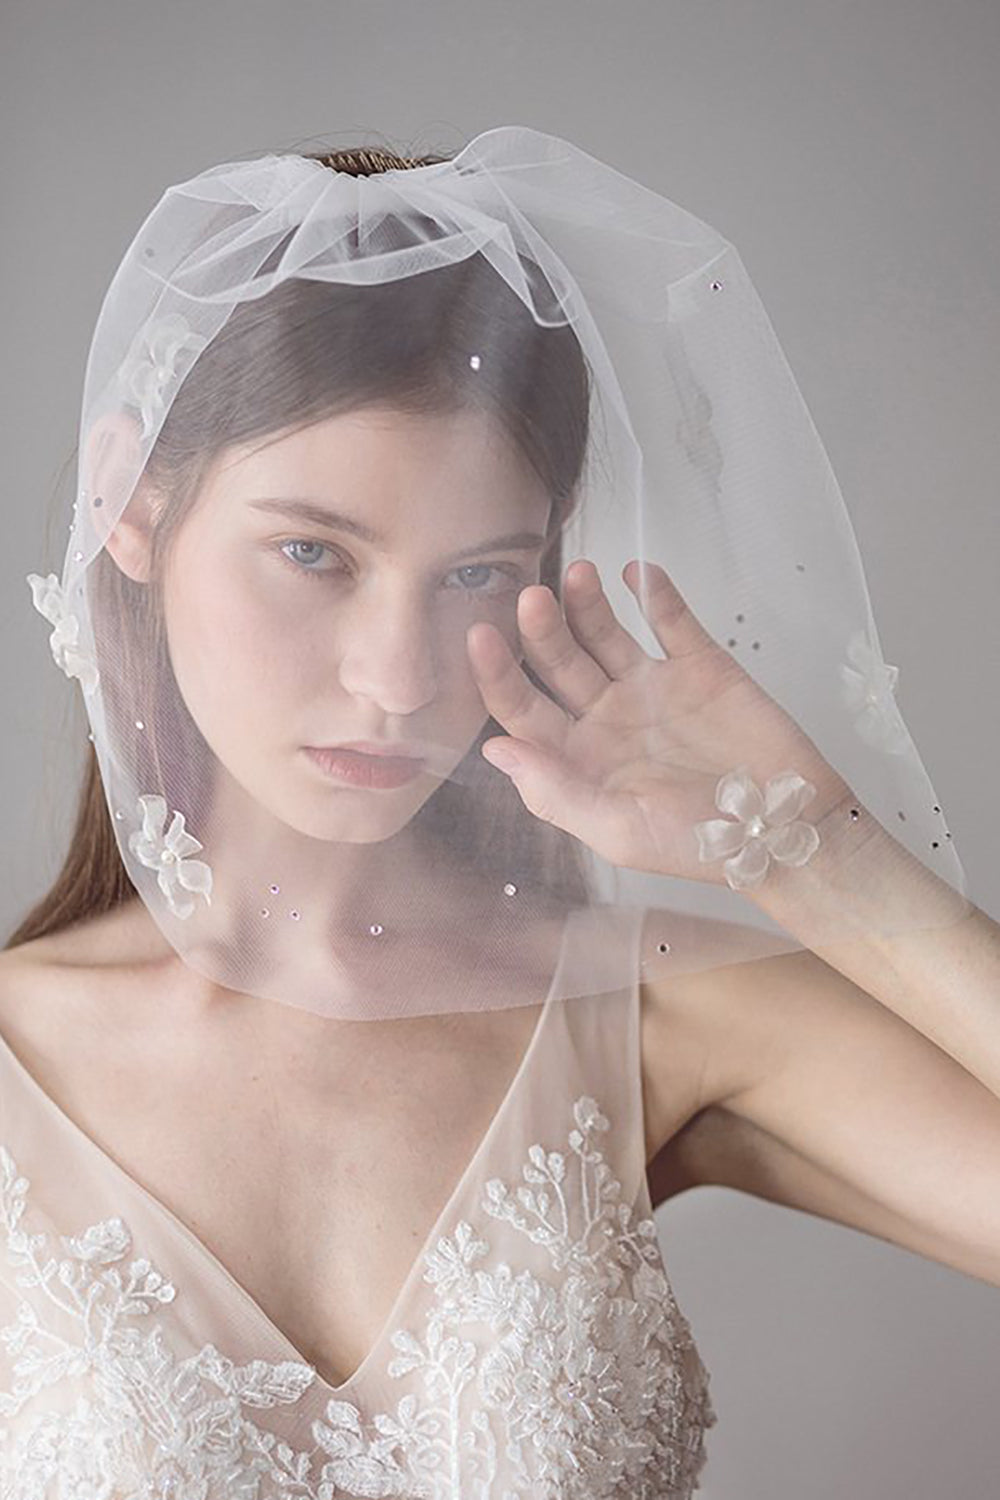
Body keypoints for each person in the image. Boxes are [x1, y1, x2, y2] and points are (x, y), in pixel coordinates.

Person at [1, 131, 996, 1497]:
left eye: (475, 572)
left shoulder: (648, 1017)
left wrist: (809, 846)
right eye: (313, 553)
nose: (399, 677)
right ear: (130, 499)